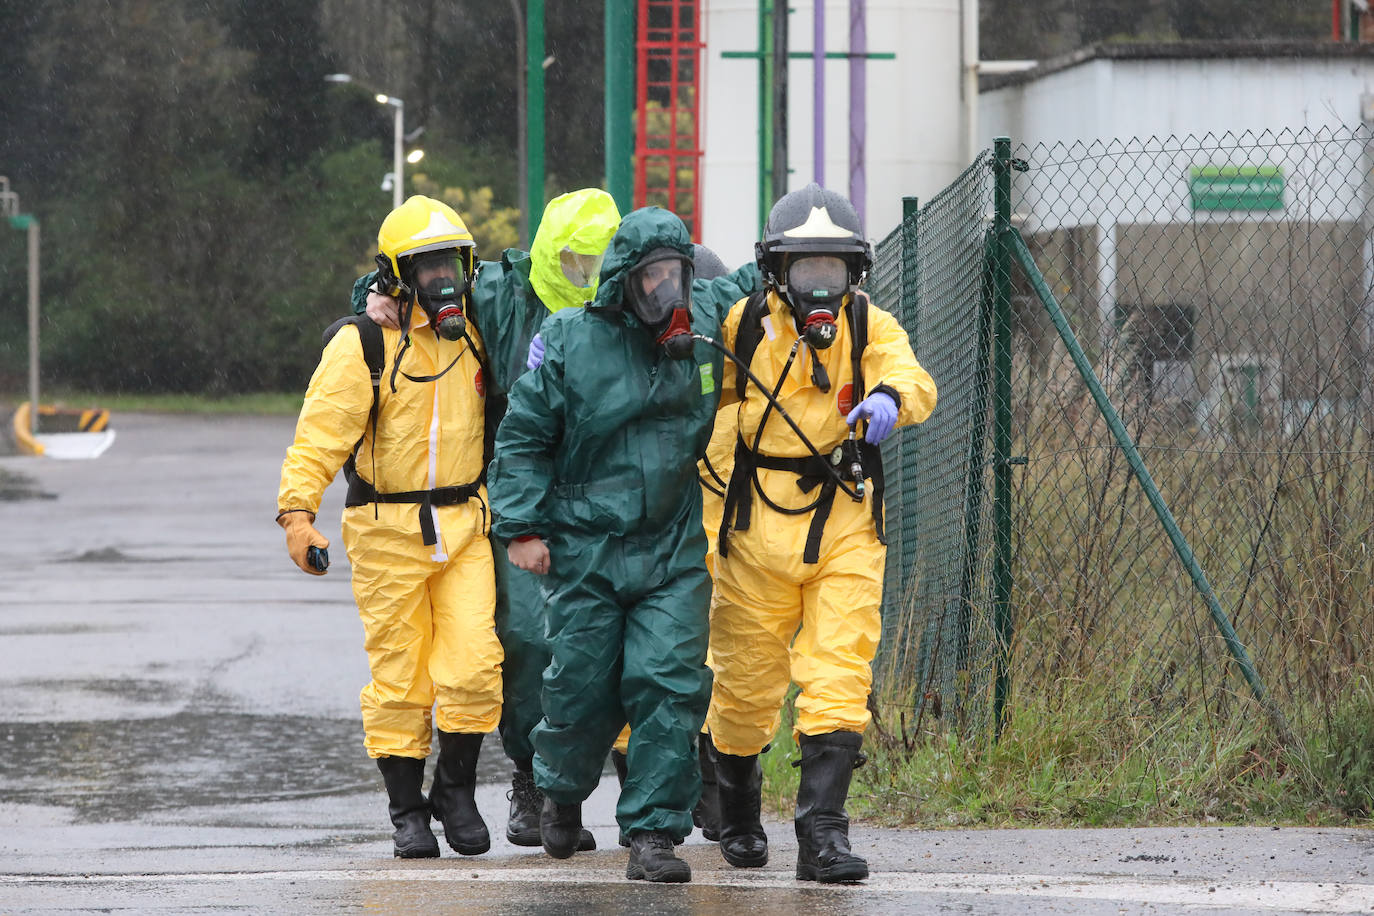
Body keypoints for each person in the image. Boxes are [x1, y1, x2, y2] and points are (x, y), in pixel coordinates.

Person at [487, 207, 751, 883]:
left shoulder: (705, 317)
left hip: (669, 546)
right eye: (653, 277)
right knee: (581, 689)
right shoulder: (573, 339)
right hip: (586, 546)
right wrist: (521, 527)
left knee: (669, 683)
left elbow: (763, 280)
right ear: (625, 282)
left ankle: (654, 835)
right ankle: (562, 792)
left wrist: (825, 270)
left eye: (677, 274)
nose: (668, 290)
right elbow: (521, 438)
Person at [354, 189, 620, 852]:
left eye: (598, 262)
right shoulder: (504, 294)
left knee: (615, 644)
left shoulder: (629, 301)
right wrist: (370, 291)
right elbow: (427, 276)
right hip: (519, 492)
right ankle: (534, 782)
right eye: (574, 262)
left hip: (609, 493)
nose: (586, 276)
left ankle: (617, 789)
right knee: (528, 641)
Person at [706, 183, 937, 883]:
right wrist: (713, 530)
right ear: (776, 270)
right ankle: (739, 811)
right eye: (805, 271)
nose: (819, 287)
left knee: (839, 672)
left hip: (843, 521)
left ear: (855, 273)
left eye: (832, 271)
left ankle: (822, 836)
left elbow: (910, 375)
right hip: (753, 529)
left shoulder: (869, 327)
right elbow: (714, 433)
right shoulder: (741, 326)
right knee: (745, 689)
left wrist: (890, 399)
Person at [277, 196, 502, 859]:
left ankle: (455, 790)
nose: (442, 281)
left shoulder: (477, 333)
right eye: (424, 268)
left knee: (475, 666)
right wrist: (297, 515)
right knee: (401, 676)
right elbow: (319, 435)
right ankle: (407, 810)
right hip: (385, 528)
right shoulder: (363, 343)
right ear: (396, 275)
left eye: (451, 265)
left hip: (464, 523)